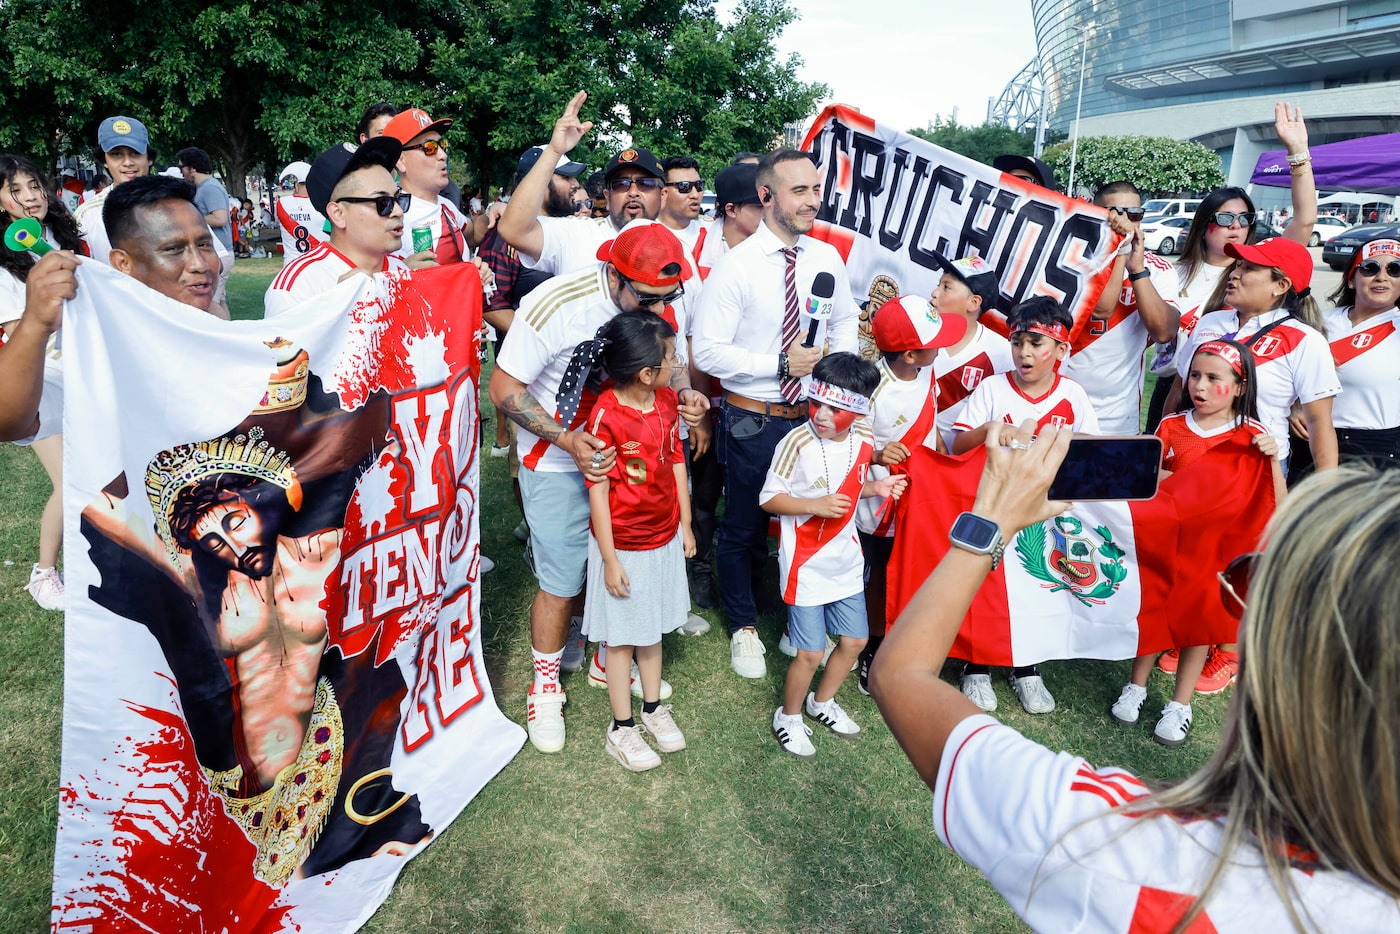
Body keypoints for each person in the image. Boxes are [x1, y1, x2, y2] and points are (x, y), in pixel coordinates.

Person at [870, 421, 1400, 932]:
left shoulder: (1125, 852)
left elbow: (900, 677)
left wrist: (992, 520)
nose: (1238, 598)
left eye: (1252, 580)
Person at [488, 221, 706, 753]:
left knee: (626, 566)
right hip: (558, 456)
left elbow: (666, 355)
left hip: (630, 451)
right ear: (615, 273)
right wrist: (567, 439)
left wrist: (683, 391)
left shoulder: (655, 301)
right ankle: (546, 686)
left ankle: (611, 659)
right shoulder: (555, 304)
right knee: (563, 580)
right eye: (648, 299)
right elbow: (502, 387)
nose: (658, 310)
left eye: (667, 299)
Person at [691, 148, 860, 680]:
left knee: (804, 518)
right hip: (753, 418)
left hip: (813, 421)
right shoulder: (735, 267)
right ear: (766, 197)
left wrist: (835, 379)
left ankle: (799, 621)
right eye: (800, 191)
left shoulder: (825, 259)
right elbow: (707, 353)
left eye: (816, 189)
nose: (814, 200)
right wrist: (779, 362)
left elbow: (847, 323)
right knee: (742, 527)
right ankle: (742, 626)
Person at [1111, 339, 1284, 745]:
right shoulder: (1171, 427)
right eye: (1194, 376)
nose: (1199, 386)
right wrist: (1188, 489)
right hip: (1167, 546)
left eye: (1213, 378)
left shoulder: (1253, 435)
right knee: (1155, 616)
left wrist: (1272, 458)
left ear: (1240, 387)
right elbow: (1145, 481)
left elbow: (1277, 501)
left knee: (1200, 628)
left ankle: (1180, 704)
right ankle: (1136, 686)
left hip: (1215, 556)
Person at [951, 295, 1098, 714]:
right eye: (1017, 342)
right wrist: (995, 430)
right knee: (986, 581)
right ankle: (975, 664)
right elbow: (955, 443)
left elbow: (1090, 449)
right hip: (994, 503)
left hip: (1046, 512)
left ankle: (1025, 666)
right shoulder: (993, 388)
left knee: (1038, 584)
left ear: (1061, 349)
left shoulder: (1073, 394)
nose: (1024, 353)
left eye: (1036, 343)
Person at [0, 175, 229, 444]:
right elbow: (9, 423)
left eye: (204, 244)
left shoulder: (218, 324)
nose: (199, 263)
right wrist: (35, 325)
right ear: (122, 263)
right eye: (173, 249)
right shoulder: (98, 354)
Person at [760, 352, 906, 758]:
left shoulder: (863, 441)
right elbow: (769, 498)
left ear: (857, 411)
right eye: (816, 403)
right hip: (805, 562)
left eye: (834, 408)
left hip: (845, 559)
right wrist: (814, 505)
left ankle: (820, 703)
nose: (821, 414)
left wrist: (876, 488)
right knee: (809, 652)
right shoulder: (797, 442)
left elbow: (854, 479)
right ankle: (787, 716)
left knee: (856, 640)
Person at [1145, 103, 1317, 430]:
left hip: (1233, 393)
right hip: (1174, 389)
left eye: (1244, 218)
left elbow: (1305, 220)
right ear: (1203, 223)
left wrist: (1298, 153)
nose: (1235, 226)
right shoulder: (1168, 273)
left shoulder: (1256, 273)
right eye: (1225, 218)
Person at [576, 311, 694, 771]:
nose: (676, 362)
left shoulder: (666, 402)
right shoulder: (605, 415)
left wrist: (684, 524)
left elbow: (677, 461)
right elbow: (599, 489)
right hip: (623, 545)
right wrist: (608, 558)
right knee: (622, 638)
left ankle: (651, 709)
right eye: (671, 357)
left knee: (651, 631)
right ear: (646, 373)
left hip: (661, 539)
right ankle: (621, 727)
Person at [853, 295, 964, 692]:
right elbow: (851, 447)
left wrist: (944, 467)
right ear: (912, 355)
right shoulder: (871, 389)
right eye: (934, 341)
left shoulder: (927, 374)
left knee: (916, 572)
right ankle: (871, 646)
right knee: (878, 574)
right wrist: (880, 454)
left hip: (921, 496)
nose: (942, 346)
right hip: (879, 503)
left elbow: (930, 426)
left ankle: (905, 641)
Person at [0, 154, 86, 609]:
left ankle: (88, 562)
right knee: (67, 481)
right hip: (38, 387)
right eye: (15, 189)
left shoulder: (59, 236)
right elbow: (17, 333)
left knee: (96, 475)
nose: (30, 196)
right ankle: (44, 573)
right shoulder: (3, 259)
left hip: (84, 377)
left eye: (34, 185)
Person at [498, 92, 666, 277]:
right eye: (621, 184)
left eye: (646, 183)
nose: (633, 192)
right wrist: (554, 151)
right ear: (607, 198)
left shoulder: (685, 245)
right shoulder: (576, 234)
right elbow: (513, 230)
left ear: (663, 195)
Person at [1062, 181, 1180, 434]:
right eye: (1114, 212)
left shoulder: (1158, 269)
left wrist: (1137, 269)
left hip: (1117, 418)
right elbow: (1101, 309)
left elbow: (1164, 332)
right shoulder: (1070, 259)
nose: (1125, 221)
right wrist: (1118, 252)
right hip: (1059, 407)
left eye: (1134, 214)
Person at [263, 139, 410, 317]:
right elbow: (282, 345)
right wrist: (338, 312)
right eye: (383, 202)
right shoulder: (296, 289)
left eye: (398, 199)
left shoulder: (402, 271)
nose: (398, 211)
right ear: (338, 214)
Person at [1323, 236, 1400, 465]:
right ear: (1351, 279)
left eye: (1395, 269)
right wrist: (1296, 407)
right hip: (1311, 439)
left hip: (1377, 448)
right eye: (1369, 268)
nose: (1382, 276)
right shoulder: (1319, 322)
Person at [929, 253, 1013, 451]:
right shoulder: (919, 333)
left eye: (946, 287)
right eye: (938, 284)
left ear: (974, 303)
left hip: (961, 465)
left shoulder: (1002, 353)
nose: (934, 292)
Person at [380, 108, 468, 266]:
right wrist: (401, 272)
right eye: (430, 147)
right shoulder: (389, 216)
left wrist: (494, 211)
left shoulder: (445, 204)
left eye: (442, 145)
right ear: (401, 161)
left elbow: (474, 231)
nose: (443, 155)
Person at [176, 147, 234, 255]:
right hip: (212, 251)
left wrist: (187, 219)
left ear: (192, 168)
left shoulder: (210, 188)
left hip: (219, 252)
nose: (181, 172)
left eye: (181, 167)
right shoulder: (203, 187)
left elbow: (220, 219)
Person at [273, 160, 327, 265]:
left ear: (296, 186)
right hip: (319, 264)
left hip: (291, 265)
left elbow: (277, 220)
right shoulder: (324, 204)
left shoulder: (281, 203)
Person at [658, 155, 704, 251]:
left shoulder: (711, 232)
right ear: (663, 192)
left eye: (699, 185)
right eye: (684, 187)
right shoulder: (645, 235)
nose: (695, 195)